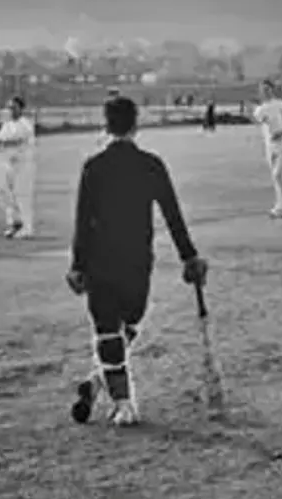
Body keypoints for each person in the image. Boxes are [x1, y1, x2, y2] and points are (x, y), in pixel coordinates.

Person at [66, 96, 209, 427]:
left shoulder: (94, 167)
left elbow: (82, 222)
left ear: (106, 125)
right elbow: (173, 216)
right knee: (127, 323)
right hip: (136, 262)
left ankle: (104, 384)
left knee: (109, 332)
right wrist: (189, 256)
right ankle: (121, 399)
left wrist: (77, 265)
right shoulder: (151, 165)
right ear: (136, 124)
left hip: (100, 262)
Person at [0, 95, 36, 238]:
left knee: (22, 197)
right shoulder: (7, 125)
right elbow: (0, 141)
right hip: (9, 165)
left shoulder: (25, 124)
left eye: (13, 107)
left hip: (23, 166)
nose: (10, 110)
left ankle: (27, 228)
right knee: (0, 193)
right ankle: (15, 223)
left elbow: (17, 140)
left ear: (20, 109)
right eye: (9, 107)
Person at [252, 79, 282, 217]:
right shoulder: (260, 109)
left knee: (278, 174)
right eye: (263, 89)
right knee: (279, 177)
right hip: (270, 145)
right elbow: (258, 120)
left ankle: (281, 206)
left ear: (272, 90)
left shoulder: (280, 105)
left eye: (268, 89)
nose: (265, 92)